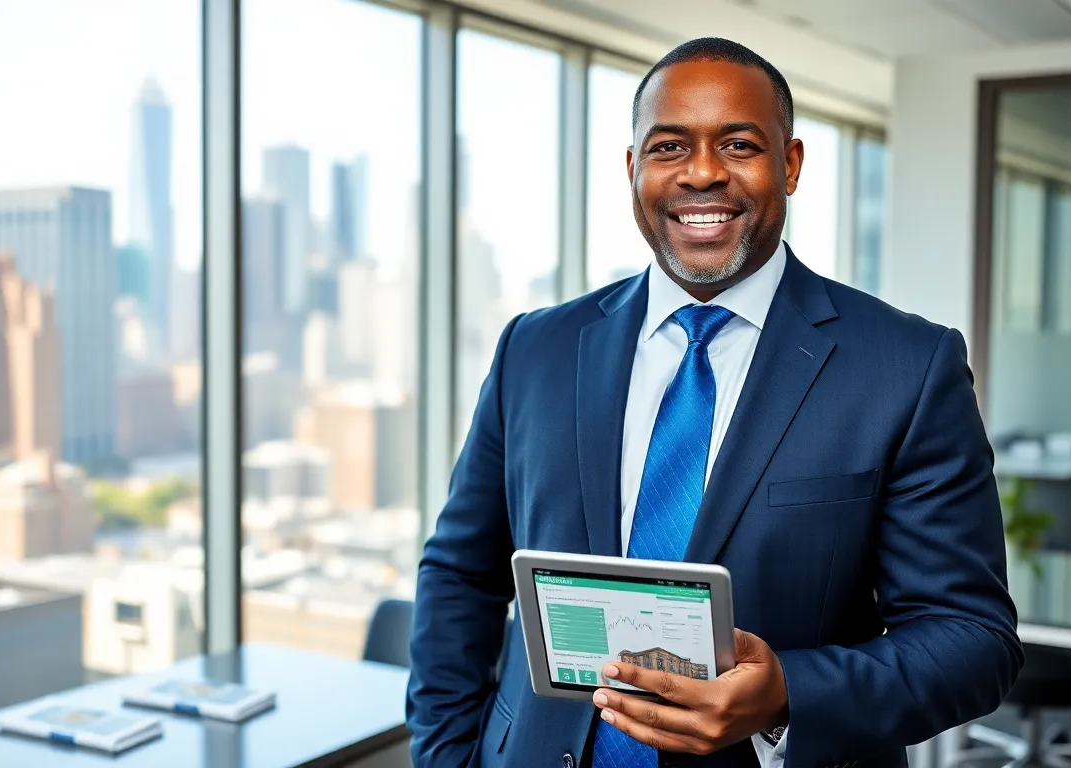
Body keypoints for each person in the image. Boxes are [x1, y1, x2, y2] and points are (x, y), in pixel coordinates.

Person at [407, 37, 1022, 768]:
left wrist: (788, 690)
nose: (702, 172)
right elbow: (460, 574)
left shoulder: (906, 368)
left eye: (738, 143)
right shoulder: (534, 349)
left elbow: (970, 637)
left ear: (788, 166)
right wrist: (444, 756)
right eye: (670, 147)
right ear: (633, 170)